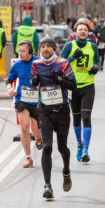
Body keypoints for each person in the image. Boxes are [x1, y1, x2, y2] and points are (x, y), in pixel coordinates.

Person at [31, 37, 76, 199]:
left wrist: (58, 79)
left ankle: (66, 171)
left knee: (62, 148)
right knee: (47, 147)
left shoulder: (63, 63)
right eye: (42, 46)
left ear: (54, 48)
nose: (45, 49)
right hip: (45, 110)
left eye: (48, 46)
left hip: (62, 110)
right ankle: (47, 186)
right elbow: (33, 80)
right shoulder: (36, 64)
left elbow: (73, 85)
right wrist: (34, 80)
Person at [60, 18, 100, 163]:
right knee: (76, 119)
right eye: (80, 29)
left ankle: (86, 150)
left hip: (88, 86)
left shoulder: (93, 46)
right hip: (73, 87)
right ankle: (79, 143)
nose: (83, 31)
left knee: (86, 117)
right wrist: (72, 57)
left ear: (88, 32)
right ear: (76, 32)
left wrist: (96, 67)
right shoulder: (69, 45)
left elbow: (97, 61)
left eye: (85, 29)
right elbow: (60, 63)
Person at [7, 40, 42, 168]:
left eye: (23, 51)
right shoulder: (17, 65)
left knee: (36, 129)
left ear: (30, 51)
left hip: (36, 100)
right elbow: (9, 80)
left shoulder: (38, 62)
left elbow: (46, 77)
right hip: (21, 99)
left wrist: (41, 85)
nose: (20, 53)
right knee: (24, 127)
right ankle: (28, 158)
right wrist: (10, 90)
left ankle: (38, 138)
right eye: (19, 51)